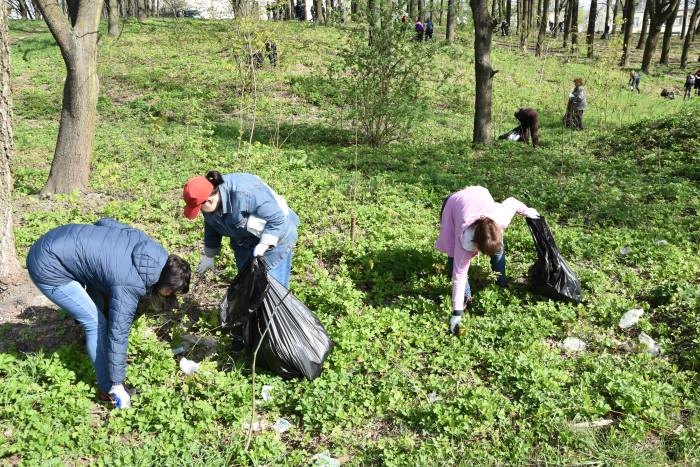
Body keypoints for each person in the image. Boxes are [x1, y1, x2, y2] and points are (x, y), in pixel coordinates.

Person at [26, 218, 191, 409]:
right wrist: (118, 383)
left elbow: (104, 223)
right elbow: (118, 334)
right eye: (170, 291)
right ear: (165, 282)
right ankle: (107, 390)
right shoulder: (130, 283)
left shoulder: (150, 249)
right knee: (96, 323)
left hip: (58, 238)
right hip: (48, 266)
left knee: (98, 307)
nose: (168, 295)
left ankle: (98, 355)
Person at [435, 187, 540, 335]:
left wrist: (527, 210)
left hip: (479, 194)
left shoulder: (500, 218)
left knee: (498, 250)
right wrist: (456, 314)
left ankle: (501, 284)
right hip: (454, 203)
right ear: (474, 243)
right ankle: (466, 297)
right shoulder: (463, 241)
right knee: (455, 261)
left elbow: (513, 202)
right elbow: (459, 276)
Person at [183, 171, 299, 288]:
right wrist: (209, 255)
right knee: (247, 284)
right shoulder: (209, 204)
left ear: (210, 200)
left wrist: (264, 245)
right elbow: (211, 226)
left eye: (200, 208)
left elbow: (277, 218)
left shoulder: (245, 194)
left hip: (277, 238)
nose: (201, 212)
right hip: (244, 242)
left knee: (270, 287)